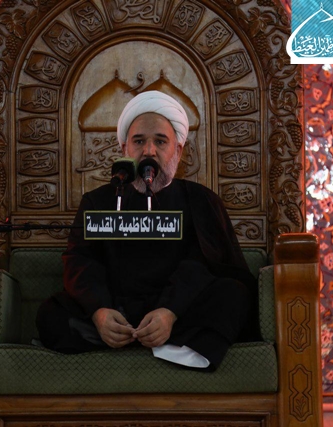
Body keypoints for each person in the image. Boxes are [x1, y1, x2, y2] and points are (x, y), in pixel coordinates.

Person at [36, 91, 258, 371]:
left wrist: (169, 312)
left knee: (232, 294)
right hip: (116, 311)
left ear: (178, 150)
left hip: (178, 312)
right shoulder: (98, 201)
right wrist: (99, 312)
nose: (149, 151)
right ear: (124, 149)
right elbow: (80, 261)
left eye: (160, 141)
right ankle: (140, 341)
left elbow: (204, 263)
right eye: (139, 141)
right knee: (51, 313)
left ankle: (159, 339)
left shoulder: (200, 200)